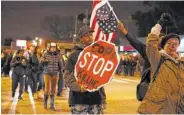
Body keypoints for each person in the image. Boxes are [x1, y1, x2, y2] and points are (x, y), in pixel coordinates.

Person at [138, 14, 184, 114]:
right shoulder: (159, 59)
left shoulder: (181, 63)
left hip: (178, 109)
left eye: (176, 44)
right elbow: (151, 44)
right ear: (163, 46)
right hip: (160, 110)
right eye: (170, 43)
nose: (173, 46)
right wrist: (159, 24)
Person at [63, 25, 106, 114]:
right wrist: (79, 87)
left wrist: (103, 98)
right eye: (87, 35)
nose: (90, 37)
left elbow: (100, 79)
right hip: (79, 98)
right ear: (81, 38)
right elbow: (67, 77)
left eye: (91, 35)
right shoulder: (74, 55)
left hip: (95, 98)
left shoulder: (97, 54)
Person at [40, 42, 63, 111]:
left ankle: (52, 105)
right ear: (49, 47)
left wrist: (61, 70)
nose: (53, 48)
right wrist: (44, 61)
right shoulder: (45, 53)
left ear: (56, 48)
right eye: (52, 47)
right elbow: (40, 62)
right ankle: (45, 103)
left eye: (54, 47)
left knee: (53, 89)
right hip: (47, 73)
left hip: (55, 73)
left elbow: (60, 63)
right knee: (47, 89)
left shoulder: (58, 54)